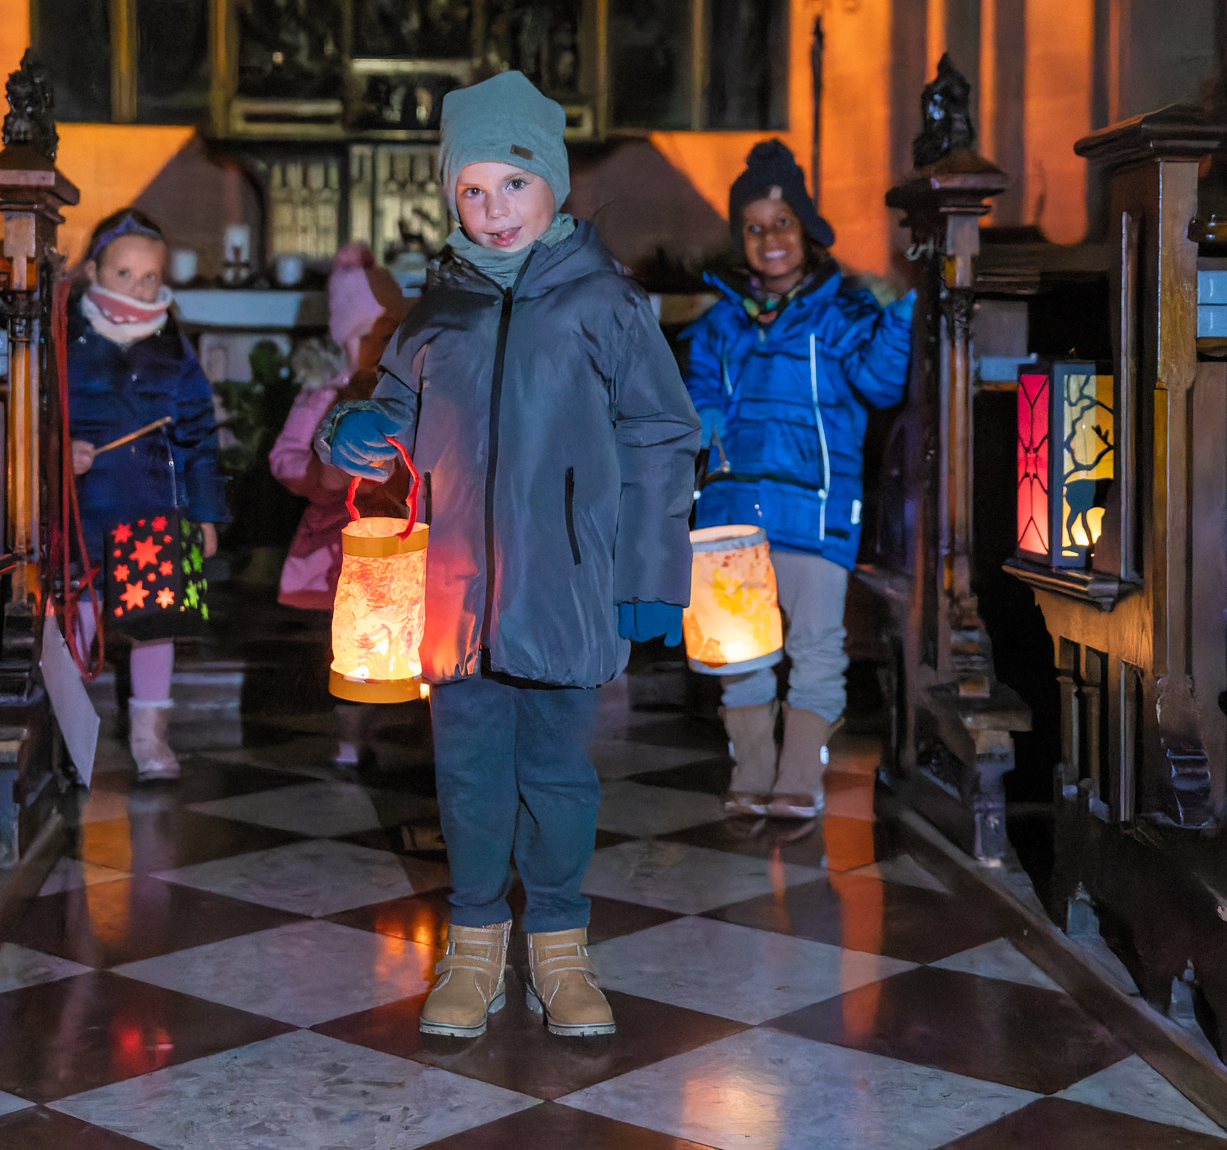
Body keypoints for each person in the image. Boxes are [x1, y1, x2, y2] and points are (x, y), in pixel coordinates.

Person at [320, 71, 700, 1040]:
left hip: (565, 586)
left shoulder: (605, 303)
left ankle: (560, 948)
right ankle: (476, 943)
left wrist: (650, 572)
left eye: (514, 184)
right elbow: (392, 407)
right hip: (456, 593)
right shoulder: (436, 310)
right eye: (472, 190)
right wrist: (354, 429)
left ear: (553, 184)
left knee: (559, 776)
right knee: (468, 777)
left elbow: (660, 436)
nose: (493, 210)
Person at [684, 140, 914, 820]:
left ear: (807, 230)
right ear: (741, 239)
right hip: (732, 514)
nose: (770, 239)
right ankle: (753, 764)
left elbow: (880, 383)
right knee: (740, 652)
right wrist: (700, 414)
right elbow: (700, 391)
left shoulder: (842, 314)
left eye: (782, 223)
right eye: (754, 228)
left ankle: (799, 771)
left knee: (816, 647)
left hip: (815, 510)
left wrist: (901, 317)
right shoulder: (720, 323)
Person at [68, 208, 227, 782]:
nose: (137, 288)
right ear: (93, 272)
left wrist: (204, 513)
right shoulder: (64, 339)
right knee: (76, 618)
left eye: (149, 278)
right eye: (123, 274)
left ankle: (149, 735)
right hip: (81, 510)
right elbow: (36, 410)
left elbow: (199, 433)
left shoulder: (172, 348)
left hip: (153, 506)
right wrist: (59, 450)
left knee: (155, 622)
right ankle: (66, 731)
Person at [269, 243, 408, 767]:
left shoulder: (404, 390)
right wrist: (322, 478)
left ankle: (393, 726)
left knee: (395, 632)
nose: (378, 345)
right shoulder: (322, 394)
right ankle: (350, 738)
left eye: (388, 334)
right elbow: (285, 458)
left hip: (397, 537)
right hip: (338, 540)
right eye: (368, 334)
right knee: (348, 642)